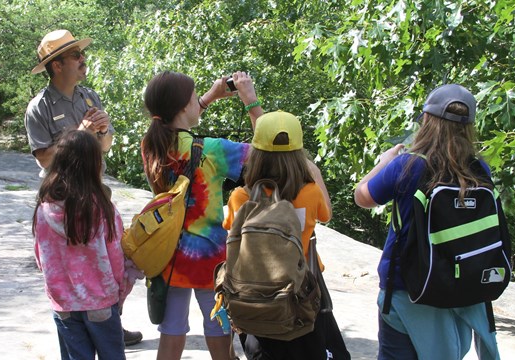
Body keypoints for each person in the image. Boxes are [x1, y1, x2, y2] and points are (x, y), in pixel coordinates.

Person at [354, 84, 501, 360]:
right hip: (460, 288)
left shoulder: (408, 165)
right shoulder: (480, 169)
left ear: (426, 120)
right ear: (469, 126)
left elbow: (362, 197)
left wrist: (384, 163)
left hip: (406, 289)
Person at [25, 29, 142, 345]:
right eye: (75, 56)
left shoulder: (89, 96)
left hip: (95, 190)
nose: (83, 59)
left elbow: (104, 145)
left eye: (81, 53)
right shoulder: (39, 107)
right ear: (57, 66)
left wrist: (102, 132)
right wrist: (82, 130)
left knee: (107, 257)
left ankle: (110, 320)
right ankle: (79, 326)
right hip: (62, 199)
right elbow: (44, 160)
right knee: (72, 265)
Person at [141, 70, 263, 360]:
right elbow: (267, 150)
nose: (199, 101)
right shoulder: (213, 150)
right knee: (221, 340)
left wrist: (208, 97)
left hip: (168, 257)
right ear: (183, 106)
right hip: (210, 261)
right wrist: (250, 100)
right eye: (195, 98)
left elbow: (176, 121)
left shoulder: (151, 145)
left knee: (170, 338)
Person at [223, 111, 333, 360]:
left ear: (256, 154)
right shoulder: (311, 193)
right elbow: (326, 215)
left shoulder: (241, 197)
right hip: (299, 298)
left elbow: (231, 233)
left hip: (256, 300)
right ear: (299, 155)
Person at [32, 130, 129, 359]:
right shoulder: (103, 209)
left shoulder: (43, 209)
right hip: (101, 300)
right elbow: (116, 256)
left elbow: (40, 258)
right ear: (94, 165)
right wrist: (120, 291)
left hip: (63, 303)